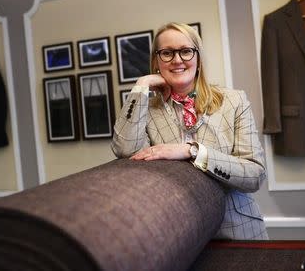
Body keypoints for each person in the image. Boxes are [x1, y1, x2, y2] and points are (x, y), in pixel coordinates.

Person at [111, 22, 268, 240]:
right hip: (179, 236)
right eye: (167, 53)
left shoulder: (234, 101)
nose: (177, 60)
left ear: (198, 58)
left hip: (237, 229)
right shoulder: (145, 108)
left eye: (185, 51)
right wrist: (141, 84)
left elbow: (255, 175)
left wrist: (193, 151)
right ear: (156, 61)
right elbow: (124, 149)